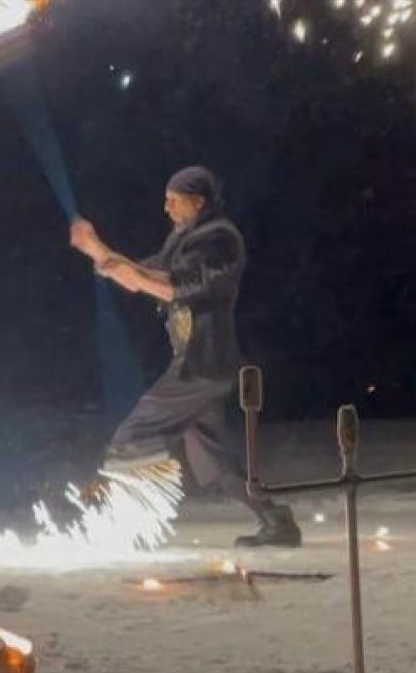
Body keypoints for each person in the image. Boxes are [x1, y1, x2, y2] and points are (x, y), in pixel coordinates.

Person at [70, 166, 301, 547]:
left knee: (134, 435)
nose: (166, 207)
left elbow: (190, 287)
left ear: (198, 201)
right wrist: (96, 248)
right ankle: (277, 522)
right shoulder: (184, 240)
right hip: (199, 363)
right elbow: (143, 274)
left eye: (173, 199)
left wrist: (138, 277)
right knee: (216, 462)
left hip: (203, 363)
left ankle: (123, 521)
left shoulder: (221, 237)